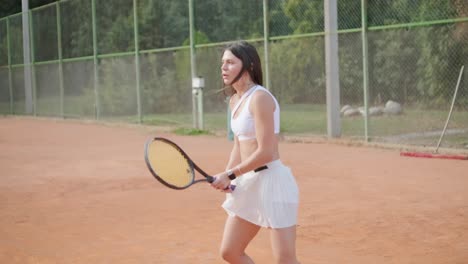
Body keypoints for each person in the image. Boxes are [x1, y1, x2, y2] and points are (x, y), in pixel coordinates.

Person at [211, 41, 300, 264]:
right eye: (223, 63)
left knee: (285, 260)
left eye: (230, 62)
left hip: (273, 181)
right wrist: (227, 174)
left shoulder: (260, 98)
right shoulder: (234, 100)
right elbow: (239, 145)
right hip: (249, 183)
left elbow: (267, 151)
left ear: (248, 65)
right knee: (230, 251)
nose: (223, 67)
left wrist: (230, 175)